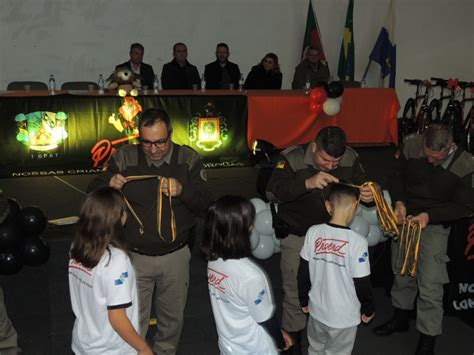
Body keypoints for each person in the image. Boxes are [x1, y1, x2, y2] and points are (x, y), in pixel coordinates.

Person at [88, 108, 212, 354]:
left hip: (175, 256)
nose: (153, 149)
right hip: (134, 257)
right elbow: (92, 195)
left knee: (172, 320)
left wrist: (183, 191)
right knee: (134, 321)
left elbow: (208, 204)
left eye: (160, 142)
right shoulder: (124, 158)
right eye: (146, 143)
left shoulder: (188, 159)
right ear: (138, 138)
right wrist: (107, 185)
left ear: (171, 134)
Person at [265, 126, 374, 355]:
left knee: (332, 291)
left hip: (335, 235)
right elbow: (271, 191)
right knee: (295, 291)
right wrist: (306, 183)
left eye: (336, 162)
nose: (331, 166)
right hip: (299, 234)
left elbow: (366, 183)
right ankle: (293, 346)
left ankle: (321, 340)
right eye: (325, 159)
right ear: (314, 147)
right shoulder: (293, 157)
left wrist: (370, 193)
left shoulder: (351, 158)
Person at [374, 124, 474, 355]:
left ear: (449, 148)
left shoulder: (465, 164)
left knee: (430, 283)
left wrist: (429, 217)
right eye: (426, 155)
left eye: (436, 158)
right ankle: (400, 317)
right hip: (406, 216)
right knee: (401, 271)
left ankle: (428, 339)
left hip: (435, 224)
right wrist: (399, 201)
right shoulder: (412, 144)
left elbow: (464, 206)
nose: (429, 161)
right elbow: (395, 174)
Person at [201, 195, 293, 354]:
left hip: (229, 344)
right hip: (254, 348)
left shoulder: (213, 261)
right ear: (242, 230)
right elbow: (265, 319)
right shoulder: (251, 276)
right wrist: (280, 341)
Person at [68, 187, 153, 355]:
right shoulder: (115, 261)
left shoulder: (77, 247)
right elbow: (117, 318)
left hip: (83, 343)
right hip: (111, 348)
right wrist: (143, 348)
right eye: (124, 210)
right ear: (117, 217)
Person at [298, 183, 375, 355]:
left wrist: (303, 300)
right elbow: (362, 282)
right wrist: (368, 308)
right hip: (344, 317)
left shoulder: (313, 232)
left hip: (317, 311)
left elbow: (302, 272)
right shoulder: (358, 242)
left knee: (315, 349)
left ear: (328, 206)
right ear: (356, 206)